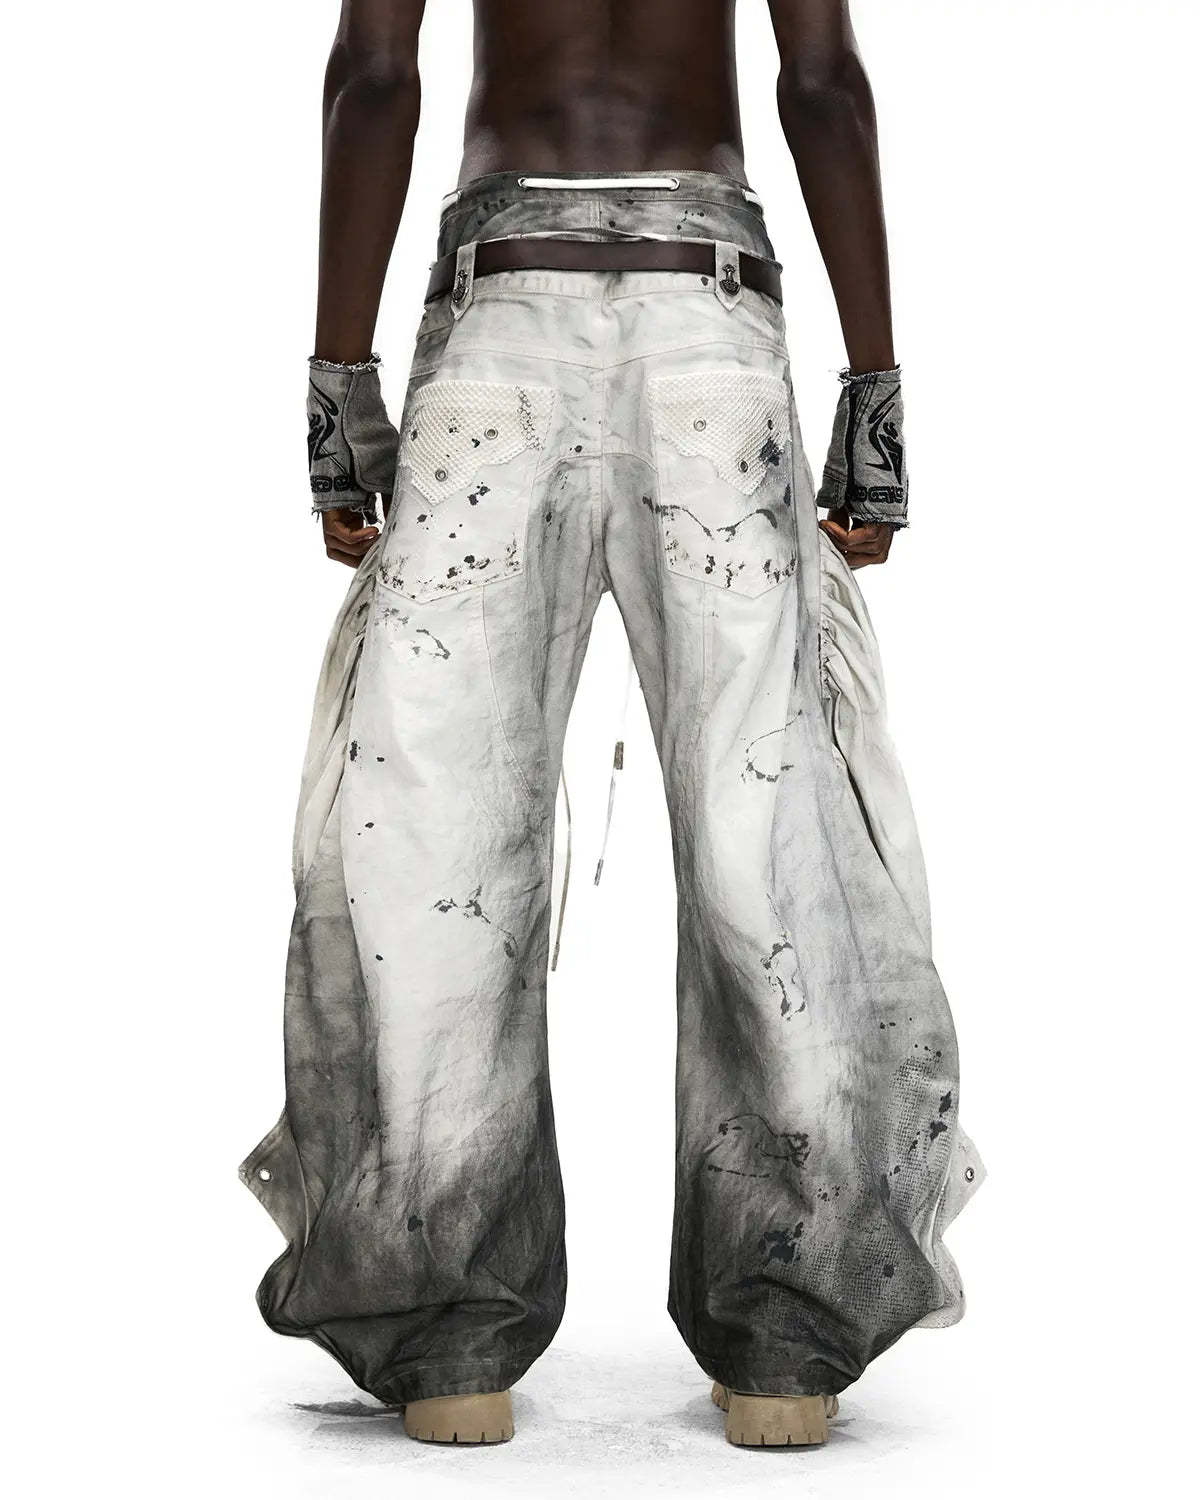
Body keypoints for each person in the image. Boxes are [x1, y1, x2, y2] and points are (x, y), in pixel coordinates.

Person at [242, 0, 984, 1449]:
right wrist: (876, 390)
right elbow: (824, 85)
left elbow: (373, 78)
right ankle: (787, 1337)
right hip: (709, 312)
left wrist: (340, 384)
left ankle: (446, 1330)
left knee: (432, 825)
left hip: (502, 313)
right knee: (766, 827)